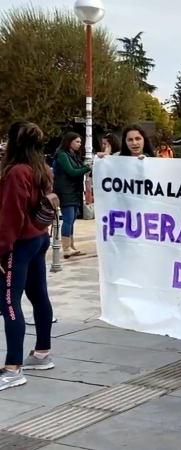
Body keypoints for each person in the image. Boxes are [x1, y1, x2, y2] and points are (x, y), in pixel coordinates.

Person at [0, 123, 57, 391]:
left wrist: (1, 250)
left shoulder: (16, 172)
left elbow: (10, 216)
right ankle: (42, 352)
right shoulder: (42, 169)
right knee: (38, 295)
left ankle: (12, 369)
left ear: (12, 143)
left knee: (9, 303)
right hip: (39, 238)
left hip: (19, 244)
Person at [52, 132, 90, 258]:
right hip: (65, 191)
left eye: (80, 142)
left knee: (72, 219)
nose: (79, 144)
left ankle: (71, 245)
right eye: (77, 142)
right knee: (68, 219)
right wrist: (87, 168)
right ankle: (66, 247)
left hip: (74, 190)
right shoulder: (62, 155)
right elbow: (71, 172)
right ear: (69, 141)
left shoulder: (73, 155)